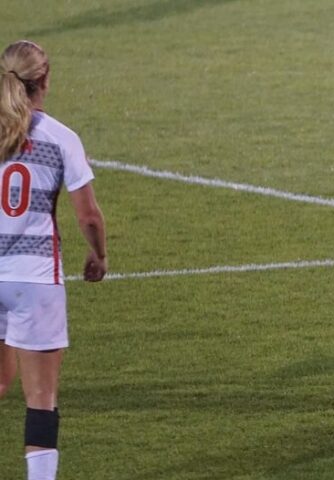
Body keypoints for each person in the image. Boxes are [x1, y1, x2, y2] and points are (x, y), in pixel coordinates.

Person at [0, 40, 108, 479]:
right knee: (40, 400)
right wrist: (98, 256)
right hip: (36, 281)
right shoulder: (60, 137)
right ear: (45, 80)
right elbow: (88, 215)